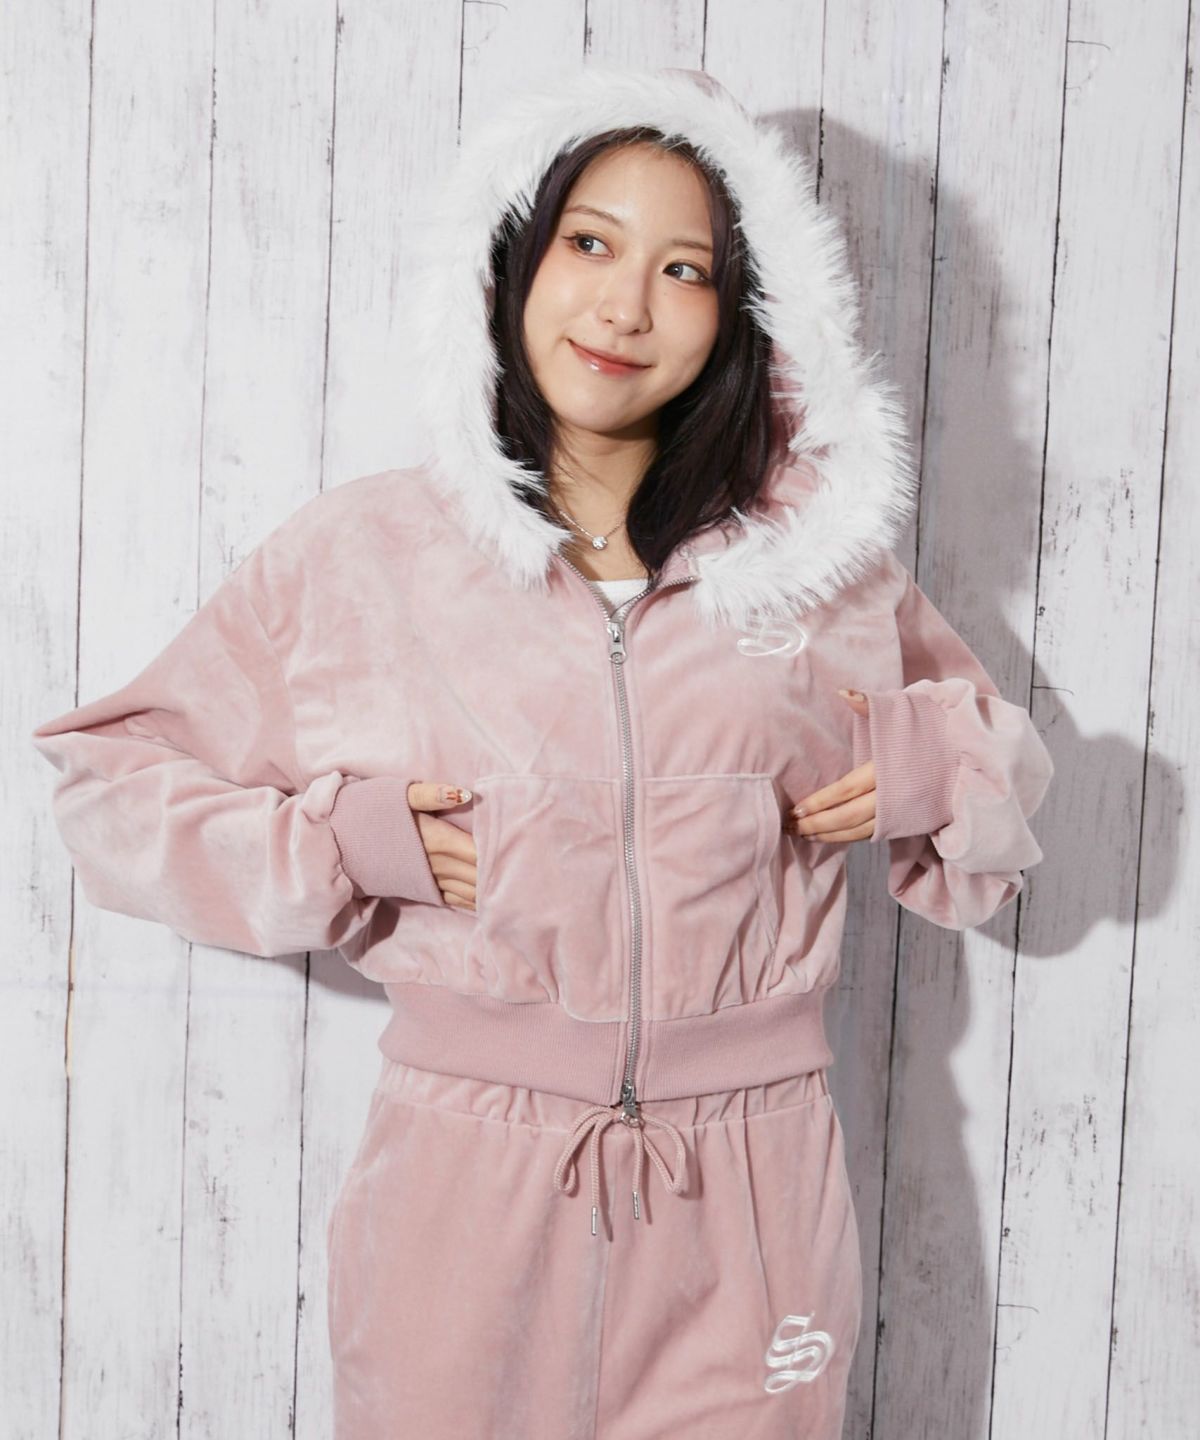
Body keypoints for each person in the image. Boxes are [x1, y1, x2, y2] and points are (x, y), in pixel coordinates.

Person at [30, 64, 1054, 1440]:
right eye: (589, 243)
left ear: (747, 313)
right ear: (511, 260)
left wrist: (936, 769)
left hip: (753, 1193)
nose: (626, 307)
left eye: (684, 269)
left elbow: (1002, 794)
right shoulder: (367, 557)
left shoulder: (818, 573)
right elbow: (107, 783)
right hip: (465, 1196)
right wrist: (331, 847)